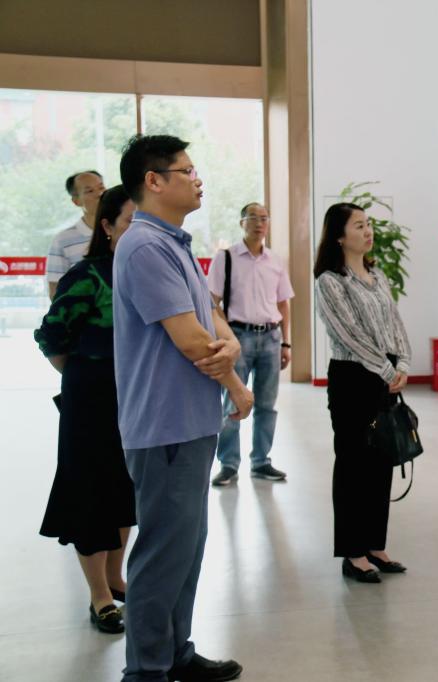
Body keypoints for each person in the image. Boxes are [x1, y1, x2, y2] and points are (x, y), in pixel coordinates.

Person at [114, 134, 253, 682]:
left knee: (186, 548)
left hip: (190, 421)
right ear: (154, 181)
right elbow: (193, 341)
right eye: (187, 171)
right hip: (164, 426)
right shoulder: (144, 247)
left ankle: (175, 653)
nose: (198, 180)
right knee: (162, 553)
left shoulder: (173, 243)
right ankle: (146, 670)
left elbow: (210, 317)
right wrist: (235, 380)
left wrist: (232, 345)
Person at [34, 185, 137, 635]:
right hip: (91, 399)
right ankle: (100, 597)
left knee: (125, 490)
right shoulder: (88, 274)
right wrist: (83, 375)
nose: (140, 230)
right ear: (108, 226)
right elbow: (51, 336)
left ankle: (116, 578)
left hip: (135, 397)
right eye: (131, 221)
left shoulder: (146, 272)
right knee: (92, 493)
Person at [314, 202, 411, 584]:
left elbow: (395, 323)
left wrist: (403, 362)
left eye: (368, 224)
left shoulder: (377, 275)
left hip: (385, 376)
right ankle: (353, 553)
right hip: (353, 379)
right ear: (339, 236)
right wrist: (387, 369)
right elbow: (349, 334)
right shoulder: (330, 282)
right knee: (353, 463)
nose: (367, 231)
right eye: (359, 225)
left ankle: (375, 545)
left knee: (381, 460)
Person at [207, 201, 295, 486]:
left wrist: (286, 343)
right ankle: (228, 464)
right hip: (238, 337)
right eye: (254, 217)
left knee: (267, 405)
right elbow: (212, 302)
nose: (260, 223)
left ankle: (261, 462)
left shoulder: (275, 261)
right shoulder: (226, 258)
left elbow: (283, 304)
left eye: (264, 218)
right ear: (242, 222)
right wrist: (226, 337)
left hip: (271, 337)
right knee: (232, 402)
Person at [47, 170, 106, 299]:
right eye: (90, 191)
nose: (99, 194)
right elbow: (55, 291)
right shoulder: (63, 240)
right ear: (76, 201)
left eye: (101, 188)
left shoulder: (122, 230)